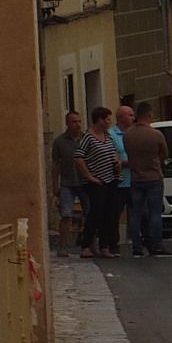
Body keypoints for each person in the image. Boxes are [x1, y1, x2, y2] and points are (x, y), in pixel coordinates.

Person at [123, 102, 172, 257]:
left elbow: (128, 153)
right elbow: (164, 152)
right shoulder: (156, 135)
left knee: (136, 213)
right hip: (153, 177)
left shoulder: (128, 135)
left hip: (136, 177)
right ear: (149, 115)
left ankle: (137, 246)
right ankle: (156, 244)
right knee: (155, 213)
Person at [74, 106, 122, 259]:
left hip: (111, 179)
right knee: (96, 213)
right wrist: (89, 176)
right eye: (107, 119)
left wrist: (118, 163)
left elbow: (114, 152)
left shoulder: (108, 136)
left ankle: (104, 246)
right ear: (99, 120)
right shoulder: (88, 137)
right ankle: (86, 245)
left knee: (109, 213)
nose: (109, 122)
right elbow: (79, 158)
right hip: (96, 182)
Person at [50, 110, 86, 257]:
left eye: (79, 121)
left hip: (84, 182)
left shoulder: (86, 139)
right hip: (67, 182)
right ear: (67, 123)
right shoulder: (59, 142)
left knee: (90, 212)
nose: (77, 125)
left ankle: (89, 244)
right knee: (66, 215)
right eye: (74, 122)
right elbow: (55, 165)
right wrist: (54, 184)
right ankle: (63, 246)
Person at [109, 104, 135, 257]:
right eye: (130, 115)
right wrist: (128, 163)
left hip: (134, 180)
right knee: (114, 214)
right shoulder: (112, 135)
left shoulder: (134, 133)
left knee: (139, 213)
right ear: (121, 118)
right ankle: (114, 244)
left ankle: (140, 242)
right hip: (119, 182)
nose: (133, 118)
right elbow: (113, 157)